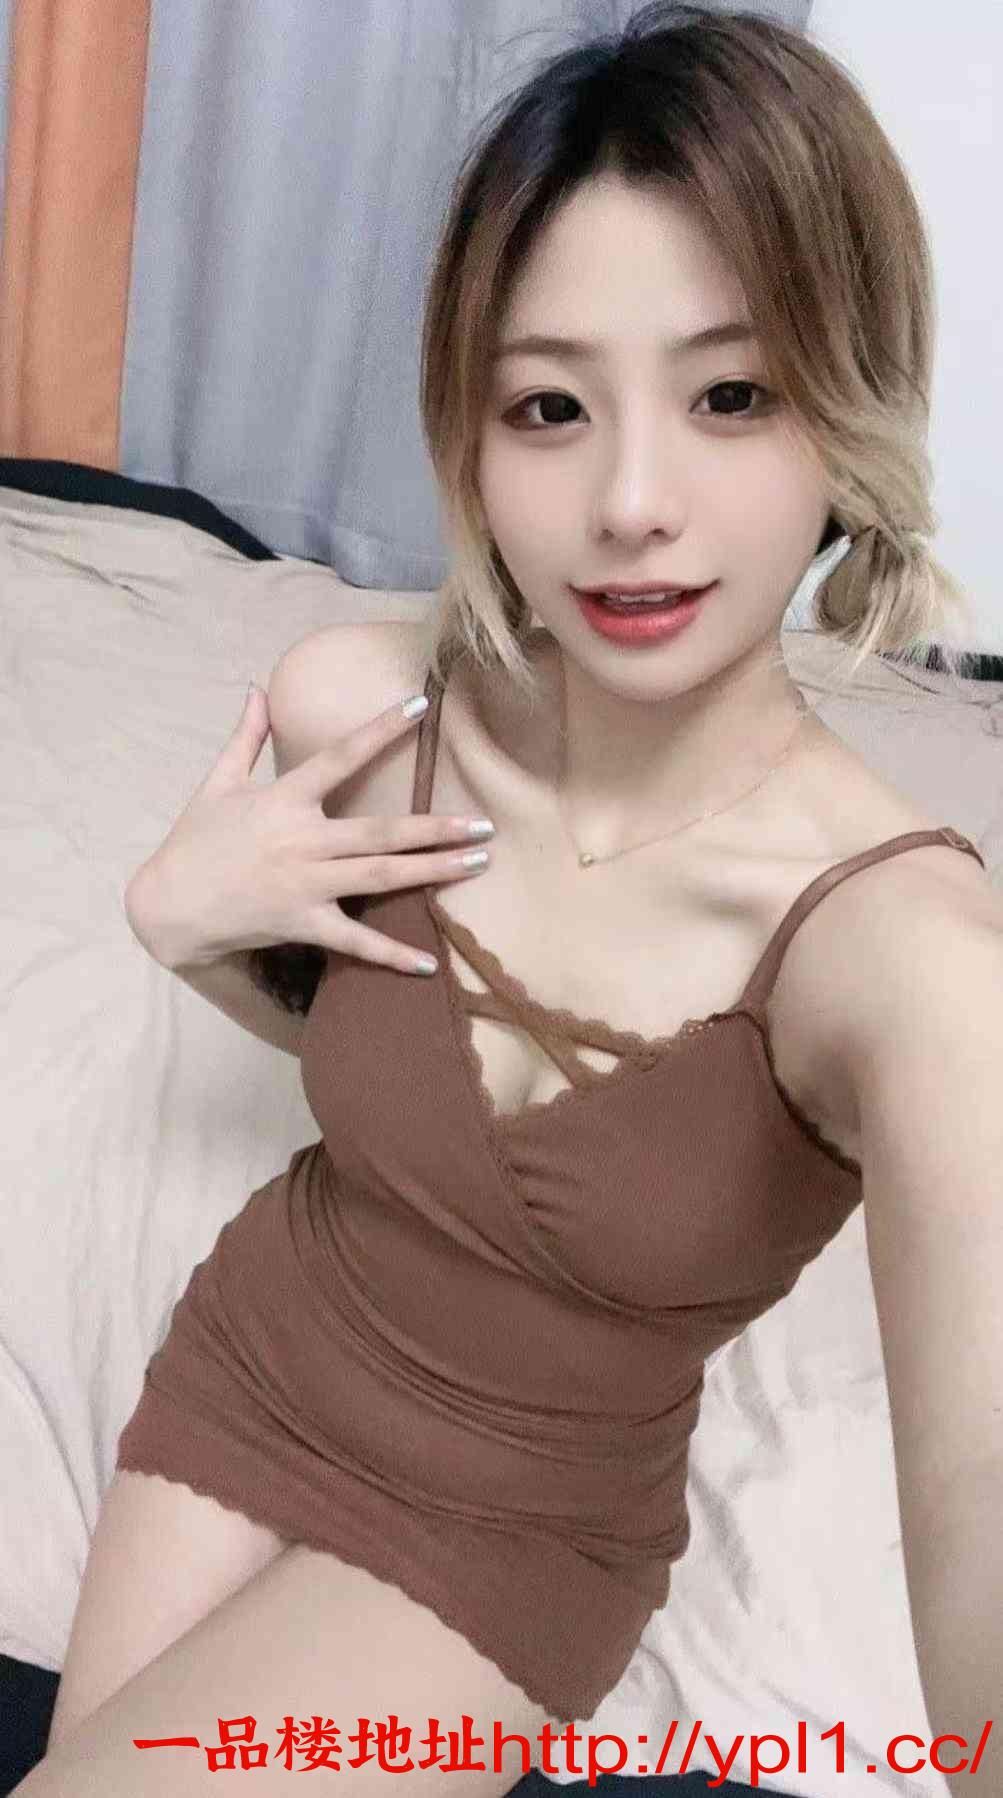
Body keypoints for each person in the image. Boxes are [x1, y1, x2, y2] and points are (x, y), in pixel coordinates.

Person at [17, 6, 995, 1795]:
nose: (631, 502)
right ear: (469, 435)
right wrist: (184, 927)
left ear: (847, 411)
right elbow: (368, 1037)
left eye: (730, 395)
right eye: (550, 405)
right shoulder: (359, 714)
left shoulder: (903, 949)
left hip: (516, 1529)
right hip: (259, 1352)